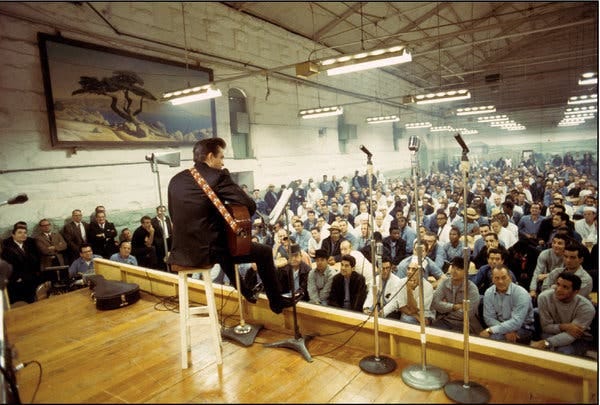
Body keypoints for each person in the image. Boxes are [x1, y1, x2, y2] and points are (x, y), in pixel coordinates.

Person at [167, 137, 297, 315]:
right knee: (264, 251)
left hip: (181, 251)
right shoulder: (218, 176)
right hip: (208, 252)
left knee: (224, 242)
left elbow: (174, 214)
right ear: (210, 157)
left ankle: (246, 291)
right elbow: (249, 205)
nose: (222, 163)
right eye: (221, 158)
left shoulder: (176, 180)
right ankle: (276, 302)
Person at [530, 272, 596, 356]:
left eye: (565, 287)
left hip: (577, 339)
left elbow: (573, 334)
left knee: (562, 353)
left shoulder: (586, 308)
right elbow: (546, 327)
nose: (558, 289)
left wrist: (546, 343)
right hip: (550, 333)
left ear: (576, 292)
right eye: (558, 284)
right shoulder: (544, 297)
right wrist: (564, 326)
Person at [480, 265, 535, 343]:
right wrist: (504, 330)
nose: (500, 281)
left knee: (495, 339)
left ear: (510, 278)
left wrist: (492, 330)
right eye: (497, 278)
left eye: (503, 277)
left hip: (522, 327)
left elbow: (516, 322)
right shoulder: (489, 292)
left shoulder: (521, 293)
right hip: (499, 324)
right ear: (492, 279)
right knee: (491, 338)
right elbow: (489, 318)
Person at [431, 256, 483, 333]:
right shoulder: (444, 283)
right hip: (445, 320)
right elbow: (435, 303)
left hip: (465, 323)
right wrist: (454, 307)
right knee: (433, 332)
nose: (454, 271)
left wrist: (445, 309)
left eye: (458, 269)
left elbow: (468, 313)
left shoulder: (472, 288)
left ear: (466, 272)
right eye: (453, 267)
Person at [383, 257, 435, 324]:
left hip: (425, 314)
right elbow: (400, 305)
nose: (410, 272)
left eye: (413, 269)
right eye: (408, 268)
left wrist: (409, 290)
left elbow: (414, 309)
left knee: (407, 319)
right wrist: (382, 313)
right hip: (407, 312)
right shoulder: (401, 282)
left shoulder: (428, 287)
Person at [1, 223, 41, 303]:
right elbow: (8, 267)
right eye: (19, 232)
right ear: (13, 235)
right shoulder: (7, 250)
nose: (23, 235)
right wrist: (17, 278)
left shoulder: (29, 246)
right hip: (18, 284)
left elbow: (34, 262)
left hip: (31, 280)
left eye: (25, 233)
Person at [529, 234, 567, 299]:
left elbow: (566, 273)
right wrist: (532, 290)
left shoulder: (568, 256)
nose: (556, 245)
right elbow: (537, 273)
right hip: (544, 285)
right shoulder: (545, 254)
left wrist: (547, 275)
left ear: (565, 245)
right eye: (554, 242)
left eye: (559, 243)